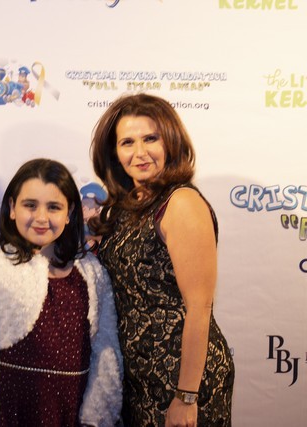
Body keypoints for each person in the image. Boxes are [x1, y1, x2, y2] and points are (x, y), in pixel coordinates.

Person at [89, 93, 234, 427]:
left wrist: (187, 396)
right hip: (138, 379)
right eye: (127, 142)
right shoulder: (126, 207)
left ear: (170, 141)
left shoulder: (181, 203)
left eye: (150, 138)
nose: (139, 152)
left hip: (181, 380)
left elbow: (199, 307)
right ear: (114, 153)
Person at [0, 158, 122, 427]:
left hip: (71, 411)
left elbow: (106, 351)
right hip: (11, 411)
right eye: (30, 205)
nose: (41, 217)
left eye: (54, 207)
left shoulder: (91, 272)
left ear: (70, 212)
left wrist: (96, 419)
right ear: (12, 208)